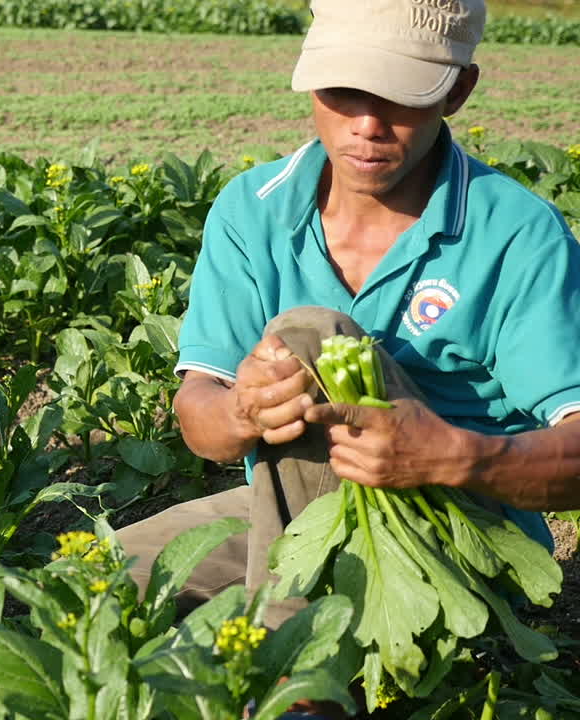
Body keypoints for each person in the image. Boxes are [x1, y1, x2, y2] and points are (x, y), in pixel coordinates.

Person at [115, 0, 580, 632]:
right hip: (296, 520)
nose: (365, 123)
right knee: (81, 590)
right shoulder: (251, 211)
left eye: (400, 94)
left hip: (460, 542)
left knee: (310, 336)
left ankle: (300, 676)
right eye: (342, 89)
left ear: (458, 89)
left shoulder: (519, 235)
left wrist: (450, 457)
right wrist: (240, 412)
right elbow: (201, 413)